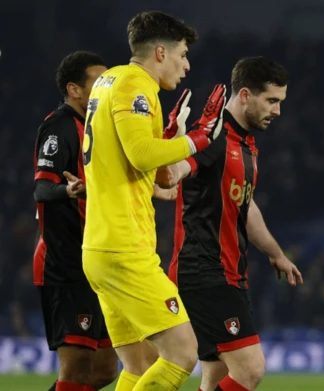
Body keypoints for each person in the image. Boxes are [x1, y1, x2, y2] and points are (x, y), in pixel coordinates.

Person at [80, 11, 226, 391]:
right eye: (182, 55)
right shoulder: (135, 85)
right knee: (182, 353)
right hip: (124, 247)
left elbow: (132, 163)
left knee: (139, 363)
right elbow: (142, 154)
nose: (187, 64)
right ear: (160, 52)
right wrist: (199, 139)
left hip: (100, 247)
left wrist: (163, 150)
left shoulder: (108, 81)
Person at [160, 56, 303, 391]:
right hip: (204, 270)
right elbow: (170, 176)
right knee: (250, 369)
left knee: (216, 379)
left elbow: (246, 206)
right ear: (244, 96)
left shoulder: (246, 144)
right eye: (271, 101)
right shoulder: (211, 136)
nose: (277, 111)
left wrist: (275, 253)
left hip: (229, 271)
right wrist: (171, 148)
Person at [33, 51, 118, 391]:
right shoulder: (60, 126)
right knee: (76, 370)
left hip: (97, 263)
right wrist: (68, 191)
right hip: (65, 264)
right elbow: (42, 188)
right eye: (99, 83)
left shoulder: (98, 128)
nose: (107, 90)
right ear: (75, 90)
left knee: (105, 370)